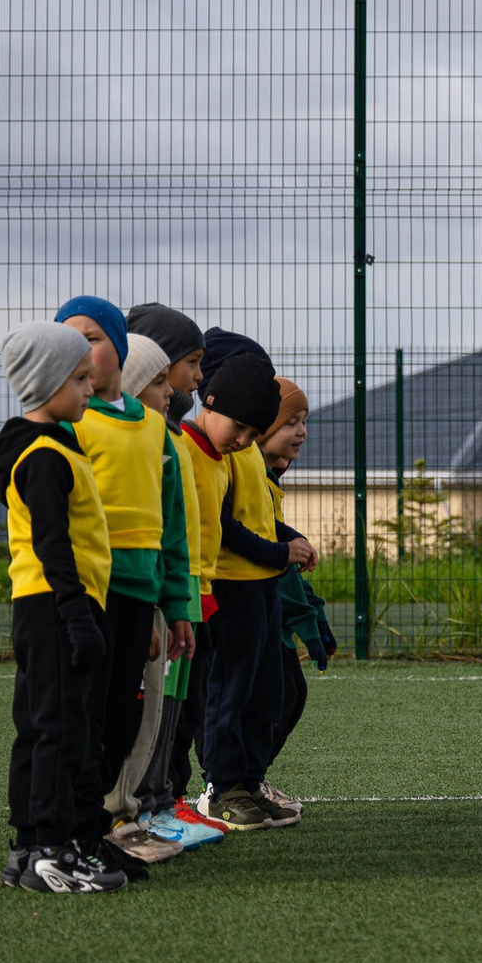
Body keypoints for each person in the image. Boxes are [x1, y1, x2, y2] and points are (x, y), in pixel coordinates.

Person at [0, 322, 125, 894]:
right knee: (61, 730)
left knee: (40, 727)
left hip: (45, 607)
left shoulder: (57, 447)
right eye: (80, 378)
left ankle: (29, 846)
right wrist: (77, 615)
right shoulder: (43, 456)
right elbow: (53, 545)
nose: (90, 388)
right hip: (56, 607)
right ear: (47, 383)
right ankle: (53, 853)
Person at [58, 300, 196, 873]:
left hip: (142, 598)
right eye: (67, 341)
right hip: (89, 595)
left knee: (123, 716)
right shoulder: (72, 424)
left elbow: (172, 529)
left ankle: (101, 829)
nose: (78, 353)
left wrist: (177, 603)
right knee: (77, 716)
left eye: (90, 338)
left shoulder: (154, 432)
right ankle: (72, 832)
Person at [113, 336, 224, 853]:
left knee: (156, 711)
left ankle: (143, 809)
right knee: (115, 715)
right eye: (161, 382)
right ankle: (110, 819)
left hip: (161, 599)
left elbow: (177, 531)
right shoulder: (111, 437)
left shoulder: (164, 439)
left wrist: (177, 601)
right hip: (112, 600)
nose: (179, 391)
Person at [197, 344, 313, 831]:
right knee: (230, 692)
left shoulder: (244, 454)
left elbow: (261, 520)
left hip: (262, 588)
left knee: (269, 690)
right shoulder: (217, 453)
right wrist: (279, 552)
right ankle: (222, 789)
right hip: (231, 587)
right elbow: (225, 525)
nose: (245, 436)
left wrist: (289, 541)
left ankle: (249, 780)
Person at [260, 377, 334, 814]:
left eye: (304, 421)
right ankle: (225, 785)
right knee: (265, 697)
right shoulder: (248, 475)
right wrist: (308, 620)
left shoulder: (269, 478)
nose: (302, 431)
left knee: (288, 694)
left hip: (271, 613)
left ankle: (247, 780)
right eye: (293, 422)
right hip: (243, 609)